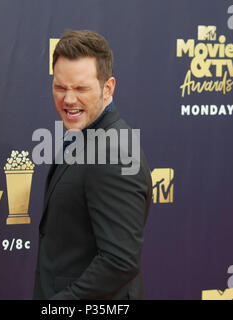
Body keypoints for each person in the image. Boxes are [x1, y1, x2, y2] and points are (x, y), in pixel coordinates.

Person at [33, 29, 152, 300]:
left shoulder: (114, 154)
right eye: (60, 87)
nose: (69, 99)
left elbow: (119, 262)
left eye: (81, 88)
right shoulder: (88, 136)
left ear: (107, 88)